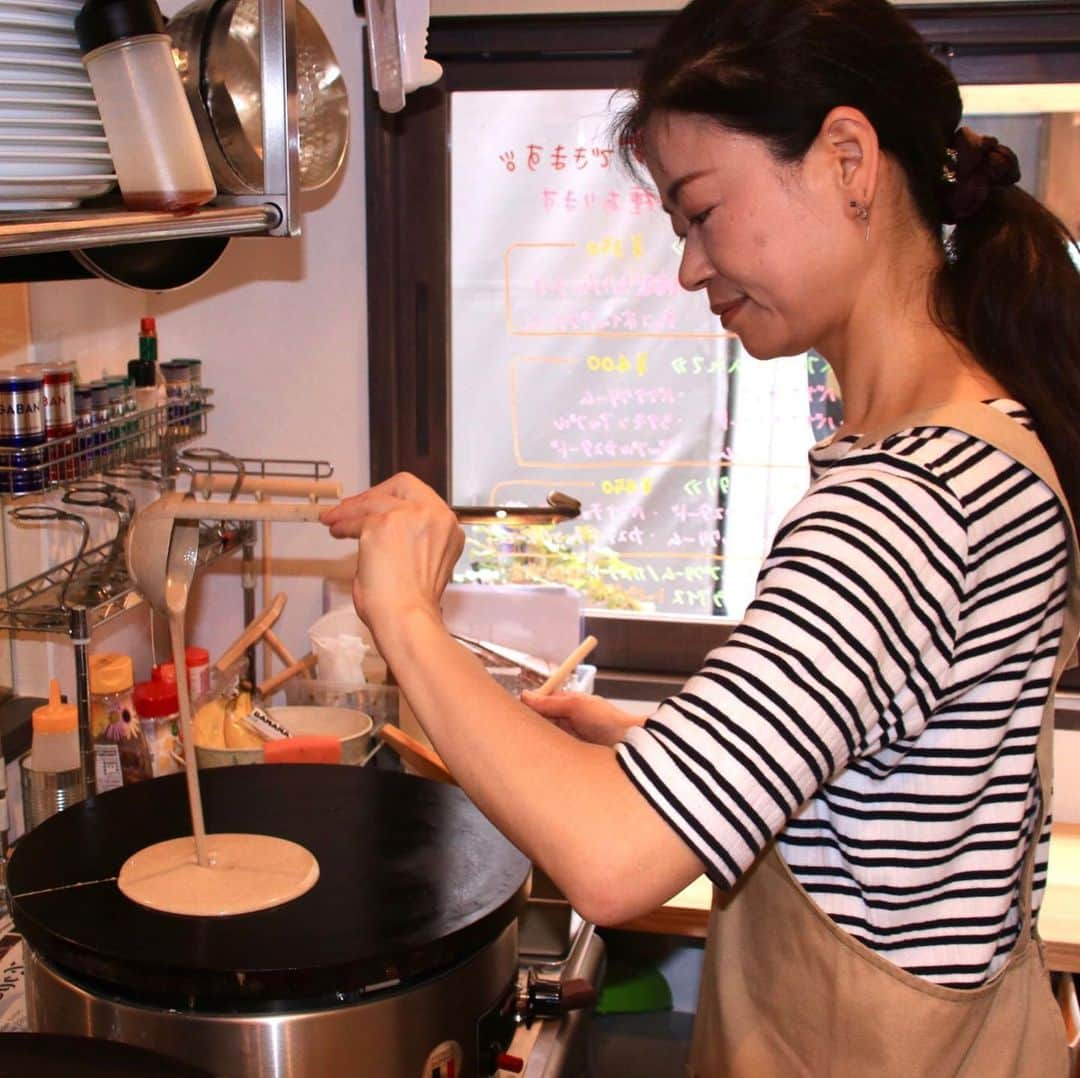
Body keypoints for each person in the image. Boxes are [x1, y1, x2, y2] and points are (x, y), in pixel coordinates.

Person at [322, 0, 1080, 1072]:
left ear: (848, 160)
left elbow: (612, 861)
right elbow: (881, 791)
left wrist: (403, 614)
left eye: (702, 212)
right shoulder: (981, 435)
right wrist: (637, 736)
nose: (688, 268)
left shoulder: (906, 504)